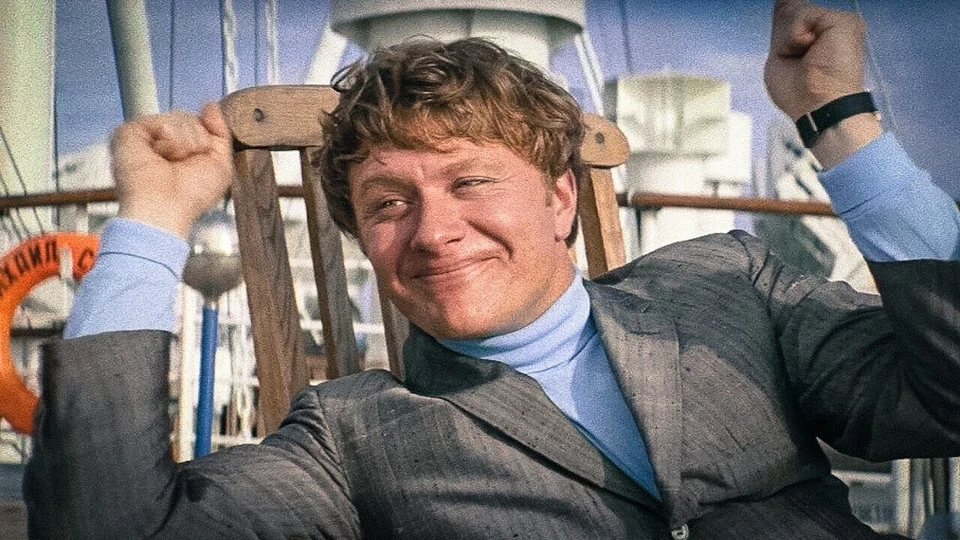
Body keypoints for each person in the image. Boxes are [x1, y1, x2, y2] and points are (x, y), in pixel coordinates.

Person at [25, 0, 960, 538]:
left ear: (559, 199)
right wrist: (151, 219)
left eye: (471, 180)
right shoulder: (350, 437)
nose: (435, 231)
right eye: (388, 203)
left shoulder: (729, 287)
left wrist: (840, 118)